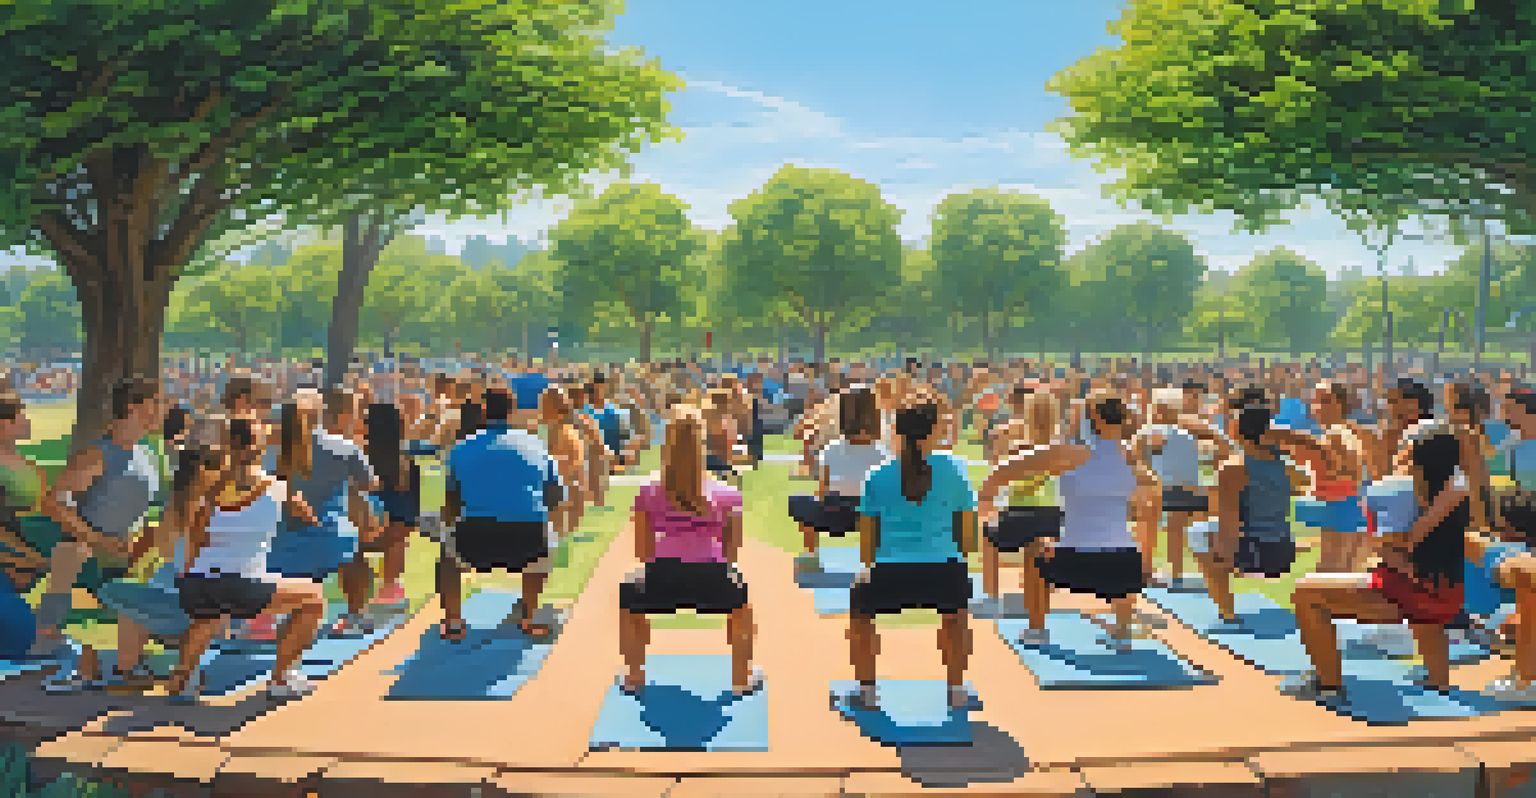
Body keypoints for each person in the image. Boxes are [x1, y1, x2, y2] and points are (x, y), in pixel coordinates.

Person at [1287, 425, 1471, 701]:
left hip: (1409, 593)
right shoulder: (1457, 486)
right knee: (1427, 612)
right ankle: (1438, 680)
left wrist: (1395, 555)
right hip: (1448, 594)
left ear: (1411, 454)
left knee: (1305, 592)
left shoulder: (1394, 489)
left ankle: (1328, 685)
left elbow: (1387, 547)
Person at [980, 389, 1161, 649]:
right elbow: (1150, 502)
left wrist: (986, 503)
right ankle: (1122, 631)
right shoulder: (1131, 458)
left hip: (1072, 564)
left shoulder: (1071, 452)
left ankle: (1036, 629)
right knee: (1130, 549)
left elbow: (1002, 471)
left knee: (1037, 547)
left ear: (1093, 419)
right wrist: (1146, 561)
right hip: (1123, 568)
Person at [165, 416, 328, 701]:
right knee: (314, 598)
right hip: (243, 583)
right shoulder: (277, 486)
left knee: (206, 618)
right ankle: (282, 678)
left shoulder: (205, 487)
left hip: (196, 582)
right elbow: (310, 519)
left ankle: (182, 681)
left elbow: (196, 536)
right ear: (261, 445)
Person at [848, 387, 977, 710]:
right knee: (956, 616)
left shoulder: (876, 476)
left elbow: (867, 549)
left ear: (898, 430)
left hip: (888, 575)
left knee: (860, 611)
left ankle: (866, 691)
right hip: (945, 573)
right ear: (934, 429)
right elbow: (969, 542)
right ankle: (957, 690)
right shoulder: (956, 470)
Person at [34, 376, 168, 689]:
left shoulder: (148, 454)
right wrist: (99, 541)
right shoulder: (98, 455)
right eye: (158, 402)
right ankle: (73, 667)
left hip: (124, 560)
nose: (164, 410)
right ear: (135, 407)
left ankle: (116, 665)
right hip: (83, 562)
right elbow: (54, 503)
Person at [619, 405, 758, 694]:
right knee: (742, 607)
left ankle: (634, 677)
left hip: (662, 577)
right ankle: (741, 679)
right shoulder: (728, 494)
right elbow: (732, 553)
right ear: (702, 444)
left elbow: (643, 553)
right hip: (713, 577)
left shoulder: (647, 492)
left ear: (666, 443)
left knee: (628, 600)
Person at [436, 387, 565, 640]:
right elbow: (556, 497)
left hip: (475, 538)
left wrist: (448, 527)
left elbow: (450, 504)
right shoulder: (537, 445)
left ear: (483, 411)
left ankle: (453, 620)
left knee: (447, 558)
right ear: (513, 411)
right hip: (529, 539)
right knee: (546, 537)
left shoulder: (460, 448)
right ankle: (528, 613)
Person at [1189, 397, 1324, 628]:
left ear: (1238, 432)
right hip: (1282, 550)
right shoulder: (1284, 463)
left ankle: (1227, 614)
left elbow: (1228, 520)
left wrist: (1228, 559)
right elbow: (1302, 477)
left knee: (1197, 533)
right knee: (1206, 530)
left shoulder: (1233, 467)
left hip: (1257, 555)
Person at [266, 391, 380, 636]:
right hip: (333, 538)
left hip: (283, 541)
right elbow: (370, 485)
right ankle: (357, 615)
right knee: (354, 550)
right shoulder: (345, 447)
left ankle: (264, 621)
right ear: (321, 415)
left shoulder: (270, 451)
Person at [978, 389, 1061, 617]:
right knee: (1040, 543)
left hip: (1019, 516)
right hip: (1053, 517)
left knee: (987, 533)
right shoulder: (1060, 447)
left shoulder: (1018, 448)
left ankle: (992, 595)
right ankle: (1043, 593)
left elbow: (998, 476)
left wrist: (1000, 445)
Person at [788, 387, 889, 573]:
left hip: (833, 517)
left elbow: (821, 492)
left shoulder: (831, 449)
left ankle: (811, 556)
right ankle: (876, 561)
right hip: (872, 519)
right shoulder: (884, 453)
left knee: (798, 500)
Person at [0, 392, 48, 658]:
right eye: (21, 416)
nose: (27, 422)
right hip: (15, 534)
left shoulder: (23, 460)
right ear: (3, 423)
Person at [362, 402, 417, 614]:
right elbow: (410, 515)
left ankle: (362, 593)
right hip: (388, 537)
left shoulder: (356, 456)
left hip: (357, 538)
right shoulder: (406, 464)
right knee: (399, 537)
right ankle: (389, 587)